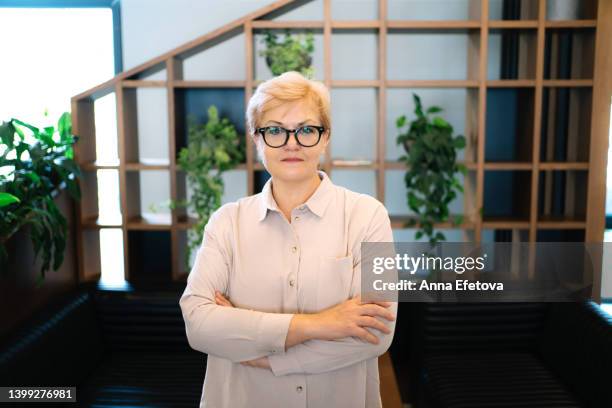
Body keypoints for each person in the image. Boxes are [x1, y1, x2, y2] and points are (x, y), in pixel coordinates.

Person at [179, 71, 398, 408]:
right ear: (257, 140)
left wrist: (265, 357)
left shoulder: (369, 216)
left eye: (307, 129)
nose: (292, 143)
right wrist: (320, 324)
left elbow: (376, 334)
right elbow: (198, 324)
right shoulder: (226, 222)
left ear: (325, 138)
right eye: (275, 130)